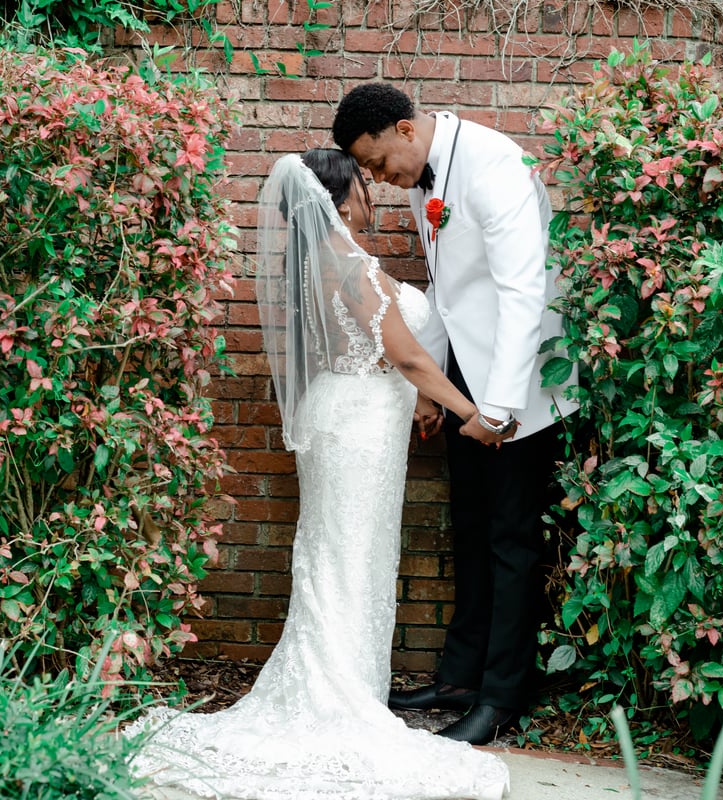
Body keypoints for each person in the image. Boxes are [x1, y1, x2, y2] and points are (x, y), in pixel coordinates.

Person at [124, 149, 511, 799]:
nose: (372, 193)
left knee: (344, 559)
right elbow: (407, 355)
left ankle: (347, 686)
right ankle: (335, 697)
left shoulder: (327, 258)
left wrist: (419, 397)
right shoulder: (344, 261)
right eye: (364, 182)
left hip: (357, 418)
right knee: (344, 561)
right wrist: (471, 411)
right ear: (341, 194)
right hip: (355, 429)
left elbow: (388, 354)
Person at [332, 83, 579, 746]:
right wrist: (431, 390)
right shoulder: (423, 180)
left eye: (380, 162)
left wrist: (497, 408)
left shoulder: (494, 168)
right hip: (466, 377)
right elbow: (448, 289)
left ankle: (500, 698)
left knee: (510, 540)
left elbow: (524, 290)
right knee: (468, 526)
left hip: (520, 382)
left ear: (406, 131)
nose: (382, 179)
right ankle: (460, 676)